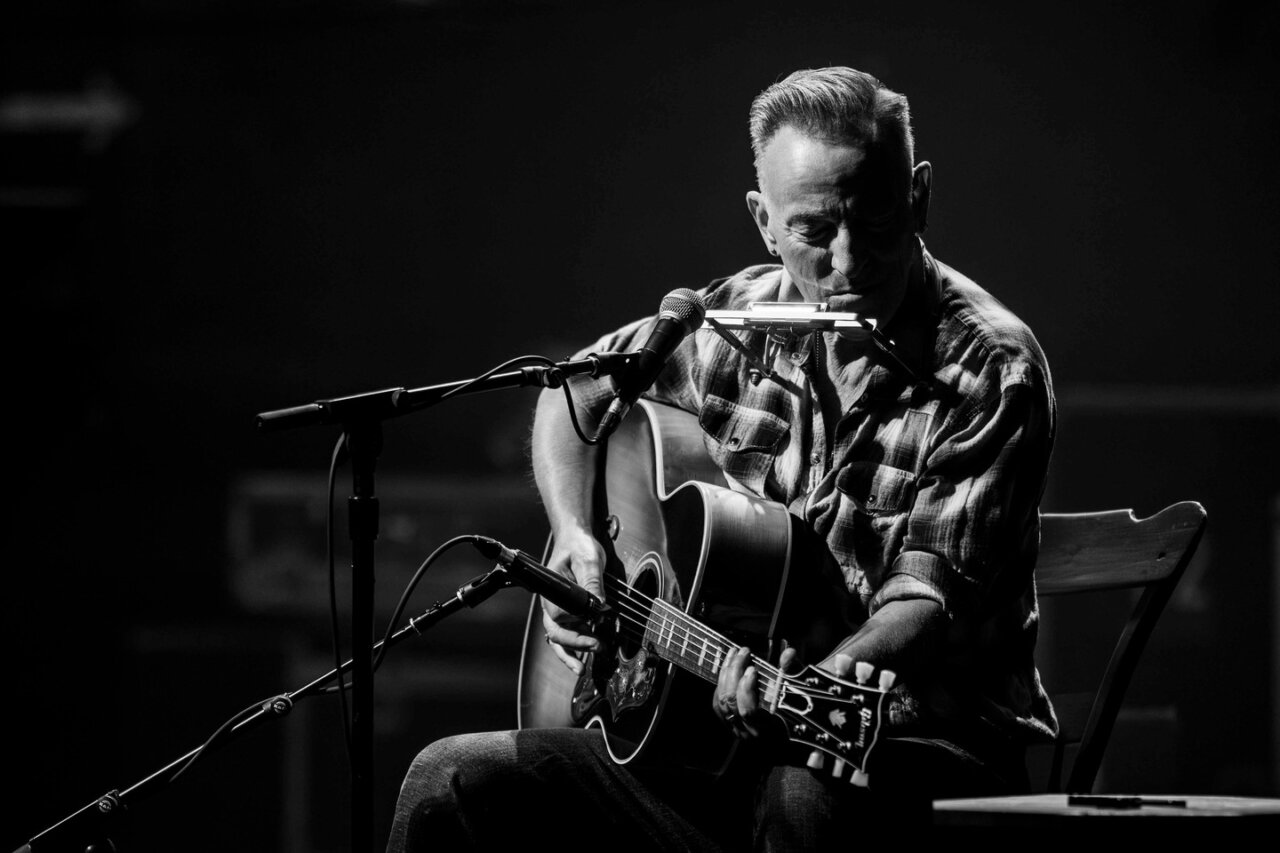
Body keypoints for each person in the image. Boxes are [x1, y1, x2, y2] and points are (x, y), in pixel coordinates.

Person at [386, 65, 1057, 851]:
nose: (849, 259)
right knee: (450, 780)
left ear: (918, 195)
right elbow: (574, 396)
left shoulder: (988, 365)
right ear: (764, 222)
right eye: (812, 229)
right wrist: (574, 535)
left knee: (801, 796)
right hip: (713, 744)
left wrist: (799, 689)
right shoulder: (735, 322)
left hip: (923, 749)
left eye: (875, 217)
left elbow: (923, 605)